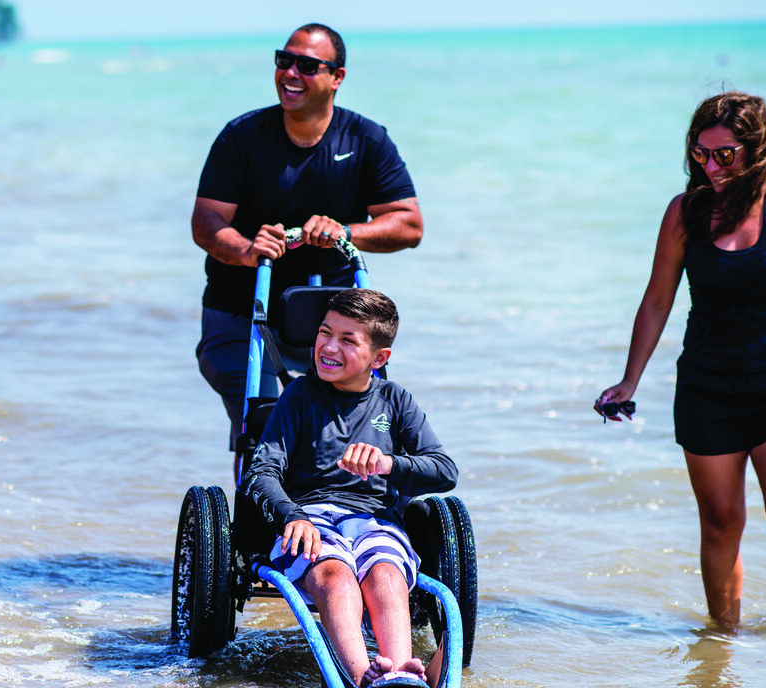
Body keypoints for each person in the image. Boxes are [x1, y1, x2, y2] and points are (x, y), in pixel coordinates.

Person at [596, 92, 766, 625]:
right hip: (707, 387)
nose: (712, 167)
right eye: (701, 154)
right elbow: (656, 299)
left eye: (725, 154)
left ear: (758, 149)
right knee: (720, 521)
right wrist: (629, 381)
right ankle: (724, 644)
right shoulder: (686, 211)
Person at [192, 23, 423, 459]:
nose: (291, 73)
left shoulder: (367, 140)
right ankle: (263, 509)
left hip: (329, 316)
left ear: (337, 77)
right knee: (264, 419)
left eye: (307, 65)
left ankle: (350, 507)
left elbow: (408, 224)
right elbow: (205, 222)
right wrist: (247, 250)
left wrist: (346, 232)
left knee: (347, 423)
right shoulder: (241, 137)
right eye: (284, 61)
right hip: (240, 310)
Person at [243, 289, 457, 687]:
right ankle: (364, 677)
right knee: (336, 576)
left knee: (386, 574)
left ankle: (398, 673)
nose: (328, 346)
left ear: (379, 358)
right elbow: (261, 471)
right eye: (325, 332)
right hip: (309, 517)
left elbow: (445, 470)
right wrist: (292, 516)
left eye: (347, 339)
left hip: (376, 520)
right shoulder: (299, 396)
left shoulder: (395, 401)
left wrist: (387, 464)